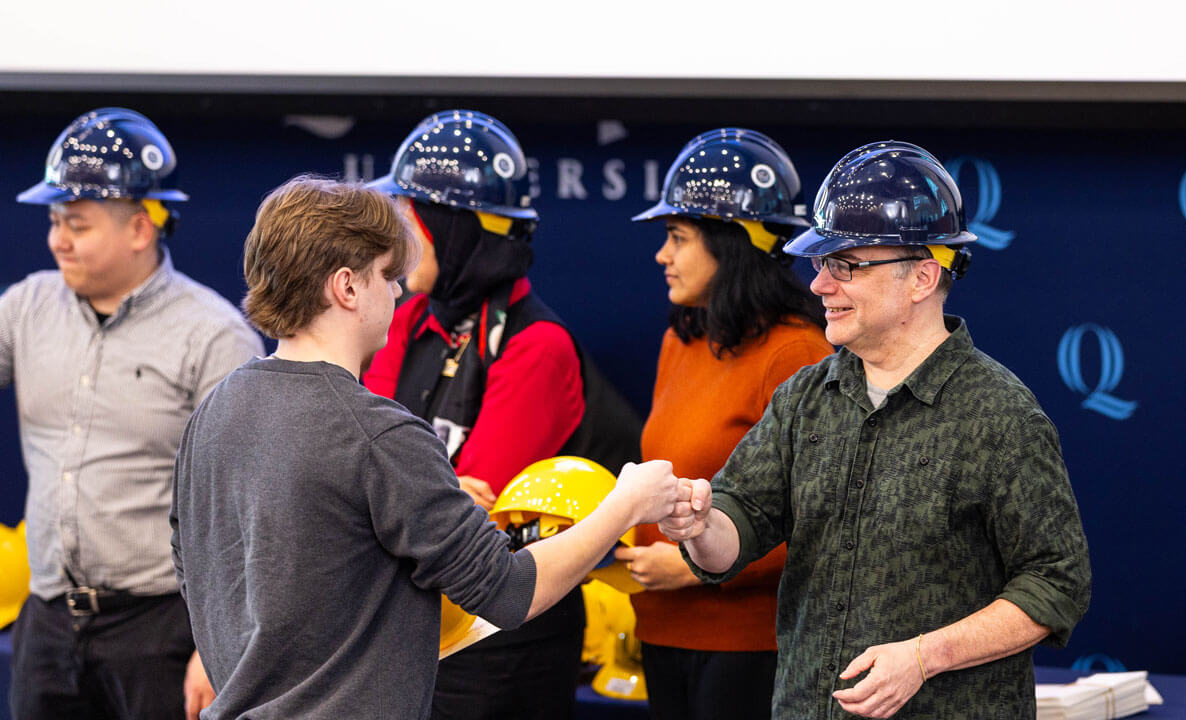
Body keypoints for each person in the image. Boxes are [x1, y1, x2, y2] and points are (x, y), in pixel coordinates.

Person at [169, 175, 683, 720]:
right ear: (346, 287)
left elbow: (193, 561)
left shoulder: (213, 411)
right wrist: (626, 503)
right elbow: (510, 592)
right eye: (387, 276)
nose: (398, 291)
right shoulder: (378, 434)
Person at [661, 141, 1091, 719]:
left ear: (921, 277)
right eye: (821, 265)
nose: (819, 286)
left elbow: (1056, 583)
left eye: (847, 266)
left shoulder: (1000, 415)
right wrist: (699, 525)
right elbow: (740, 524)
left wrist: (924, 657)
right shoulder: (806, 398)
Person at [363, 109, 642, 719]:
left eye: (411, 217)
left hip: (505, 645)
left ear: (456, 227)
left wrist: (401, 502)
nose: (397, 238)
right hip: (416, 632)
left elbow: (465, 518)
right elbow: (373, 463)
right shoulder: (408, 318)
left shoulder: (538, 344)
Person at [2, 107, 264, 720]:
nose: (56, 239)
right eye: (53, 220)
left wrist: (217, 642)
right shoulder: (26, 307)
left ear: (141, 229)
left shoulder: (214, 336)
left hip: (161, 630)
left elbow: (247, 503)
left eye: (77, 223)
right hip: (44, 625)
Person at [615, 128, 831, 720]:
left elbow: (822, 526)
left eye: (678, 237)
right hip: (661, 633)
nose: (663, 255)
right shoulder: (681, 340)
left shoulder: (797, 353)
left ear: (731, 243)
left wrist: (691, 569)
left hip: (749, 647)